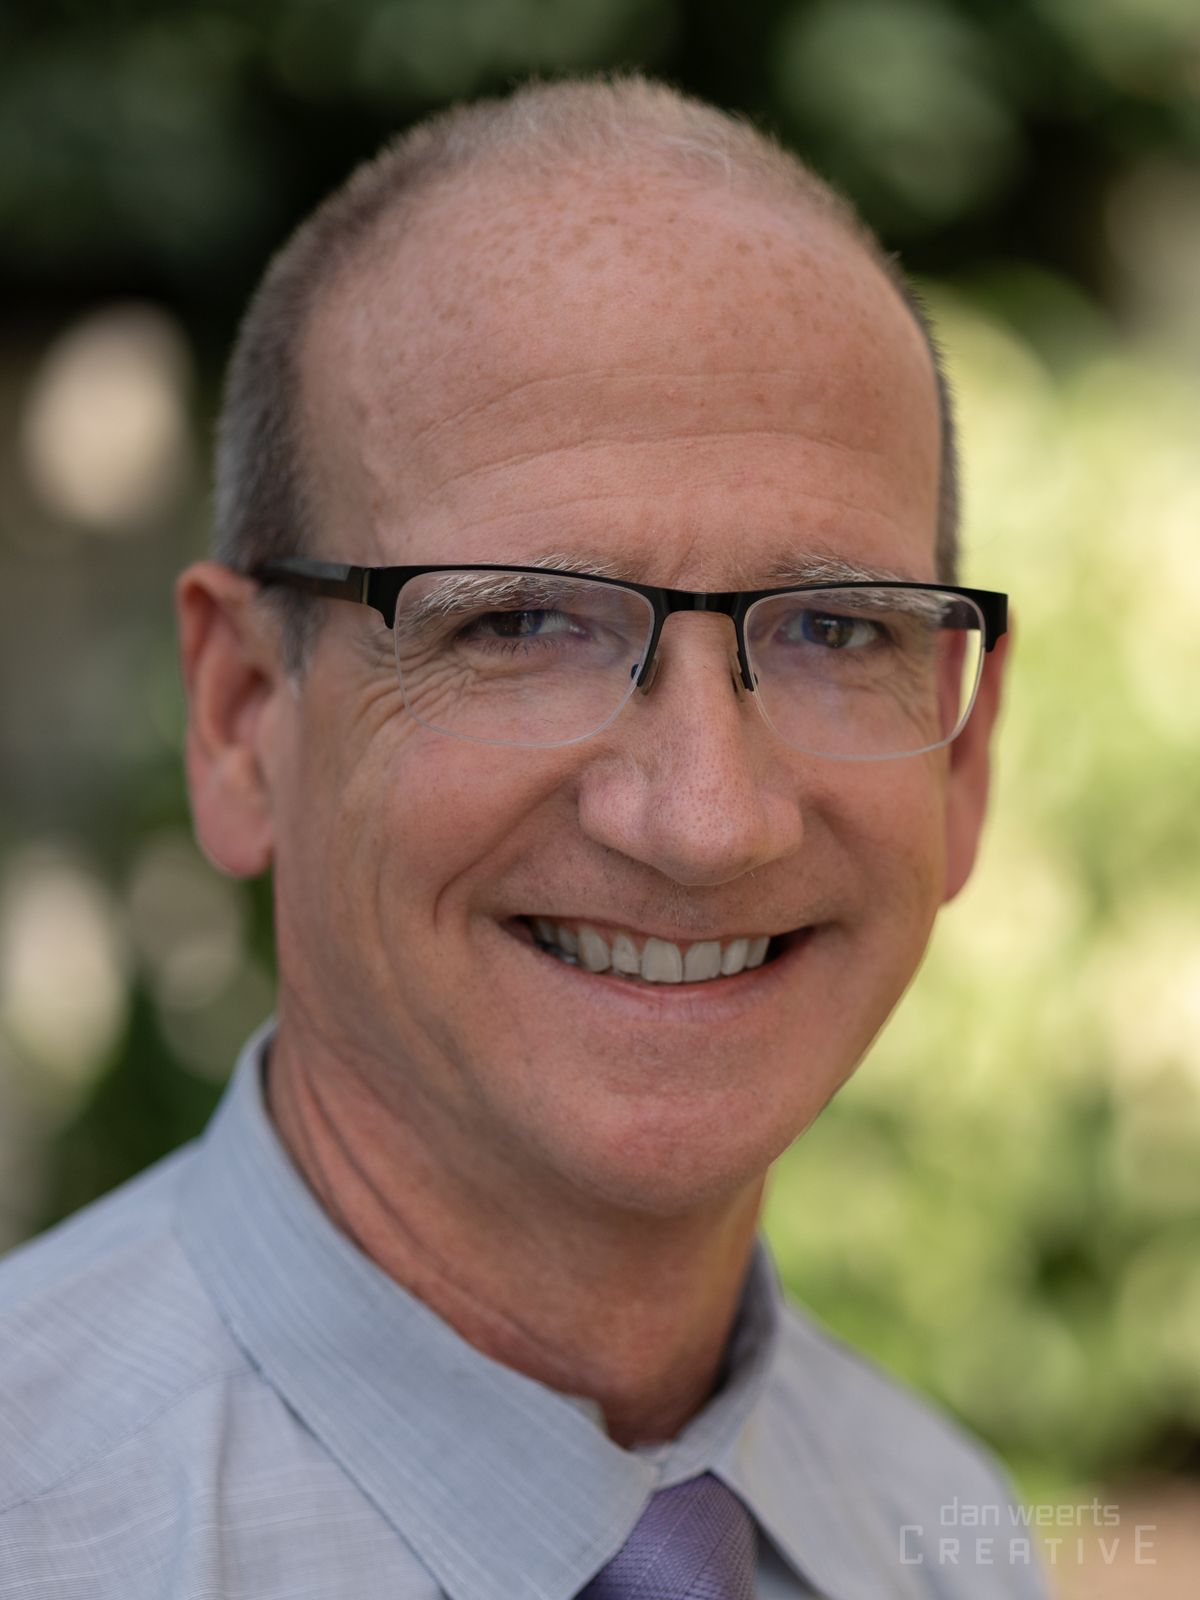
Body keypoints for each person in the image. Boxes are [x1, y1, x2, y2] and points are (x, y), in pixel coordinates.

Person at [0, 77, 1048, 1598]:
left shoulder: (944, 1531)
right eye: (520, 620)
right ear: (243, 718)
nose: (706, 821)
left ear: (966, 752)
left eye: (835, 628)